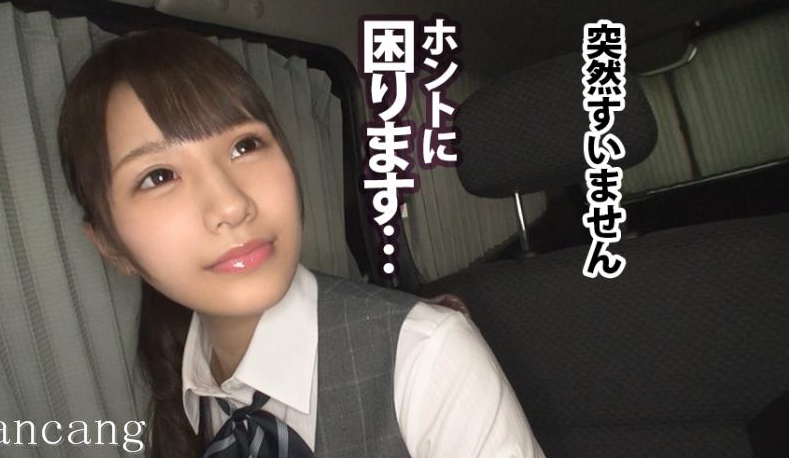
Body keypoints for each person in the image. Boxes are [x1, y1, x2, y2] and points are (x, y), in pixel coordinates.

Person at [57, 27, 544, 458]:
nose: (231, 205)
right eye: (159, 176)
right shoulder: (187, 383)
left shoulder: (427, 360)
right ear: (111, 246)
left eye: (244, 145)